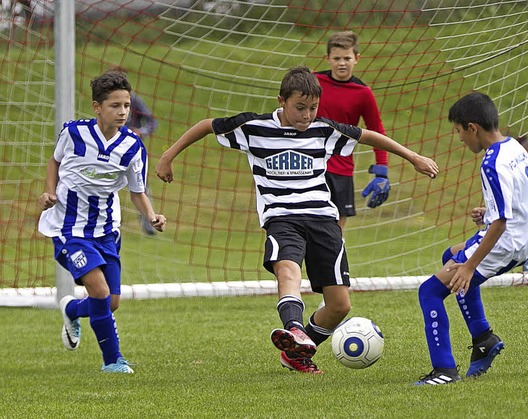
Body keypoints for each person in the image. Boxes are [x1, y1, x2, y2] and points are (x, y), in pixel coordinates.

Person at [155, 66, 439, 374]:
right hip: (282, 218)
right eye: (299, 108)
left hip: (322, 219)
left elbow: (368, 135)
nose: (306, 115)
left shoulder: (324, 130)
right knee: (287, 271)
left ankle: (296, 351)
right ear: (281, 101)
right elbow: (206, 125)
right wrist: (168, 155)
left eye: (312, 108)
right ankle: (293, 329)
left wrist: (413, 157)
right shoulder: (253, 127)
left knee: (340, 305)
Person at [37, 70, 167, 373]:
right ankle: (113, 361)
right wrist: (48, 191)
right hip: (69, 230)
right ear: (97, 107)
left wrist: (151, 215)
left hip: (107, 231)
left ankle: (71, 308)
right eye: (115, 106)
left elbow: (137, 191)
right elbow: (54, 161)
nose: (122, 112)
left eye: (126, 106)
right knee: (98, 291)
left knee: (111, 302)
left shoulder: (133, 146)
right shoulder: (73, 133)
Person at [415, 92, 528, 385]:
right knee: (450, 255)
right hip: (525, 236)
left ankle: (444, 371)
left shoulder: (491, 164)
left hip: (505, 241)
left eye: (460, 132)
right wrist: (489, 213)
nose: (460, 139)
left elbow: (500, 222)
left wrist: (471, 264)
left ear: (472, 128)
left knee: (430, 292)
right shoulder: (514, 147)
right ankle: (483, 338)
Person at [315, 31, 389, 230]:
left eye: (347, 58)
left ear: (356, 59)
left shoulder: (363, 93)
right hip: (310, 165)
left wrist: (382, 171)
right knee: (305, 228)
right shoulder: (313, 82)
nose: (341, 63)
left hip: (342, 169)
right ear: (328, 59)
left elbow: (377, 130)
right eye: (336, 58)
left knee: (335, 234)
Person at [108, 66, 159, 235]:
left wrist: (141, 131)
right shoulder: (104, 103)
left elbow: (152, 122)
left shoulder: (135, 101)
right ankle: (110, 223)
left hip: (131, 152)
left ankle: (149, 224)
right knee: (105, 185)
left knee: (140, 187)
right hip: (110, 152)